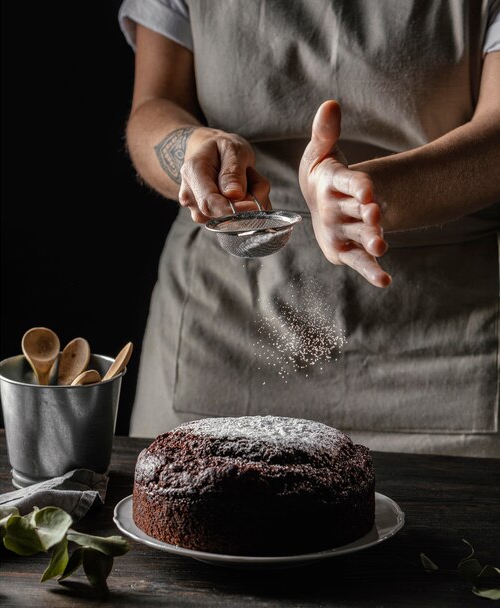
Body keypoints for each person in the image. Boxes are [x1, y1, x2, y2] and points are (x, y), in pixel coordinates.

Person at [119, 0, 500, 457]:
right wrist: (193, 149)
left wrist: (369, 192)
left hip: (443, 348)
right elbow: (154, 105)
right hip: (223, 330)